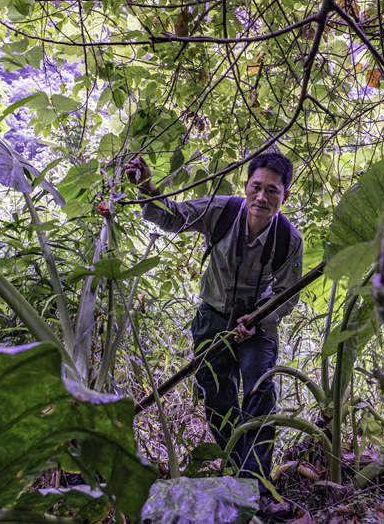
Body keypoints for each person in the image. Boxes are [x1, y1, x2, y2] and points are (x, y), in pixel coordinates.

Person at [126, 152, 303, 515]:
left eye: (272, 190)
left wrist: (258, 318)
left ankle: (257, 491)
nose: (262, 197)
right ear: (246, 186)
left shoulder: (288, 239)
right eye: (256, 187)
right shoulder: (222, 210)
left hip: (259, 325)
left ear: (285, 195)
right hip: (213, 317)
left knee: (259, 390)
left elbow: (287, 295)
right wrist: (146, 186)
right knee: (216, 396)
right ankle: (241, 474)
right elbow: (170, 217)